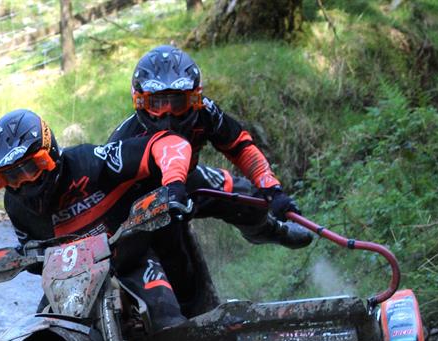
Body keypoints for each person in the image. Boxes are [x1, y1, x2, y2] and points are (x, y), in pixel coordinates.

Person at [0, 108, 195, 329]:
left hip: (131, 261)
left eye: (29, 169)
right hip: (71, 281)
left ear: (49, 155)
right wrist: (23, 258)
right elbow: (36, 257)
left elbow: (169, 143)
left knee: (169, 323)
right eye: (10, 176)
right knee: (41, 340)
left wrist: (174, 184)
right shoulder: (15, 205)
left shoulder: (89, 163)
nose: (22, 183)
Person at [107, 44, 313, 249]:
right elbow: (103, 194)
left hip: (188, 180)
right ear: (140, 101)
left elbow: (240, 147)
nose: (168, 114)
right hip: (137, 201)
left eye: (177, 103)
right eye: (157, 104)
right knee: (166, 249)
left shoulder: (206, 112)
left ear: (194, 98)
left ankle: (273, 230)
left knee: (245, 195)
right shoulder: (123, 139)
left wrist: (272, 190)